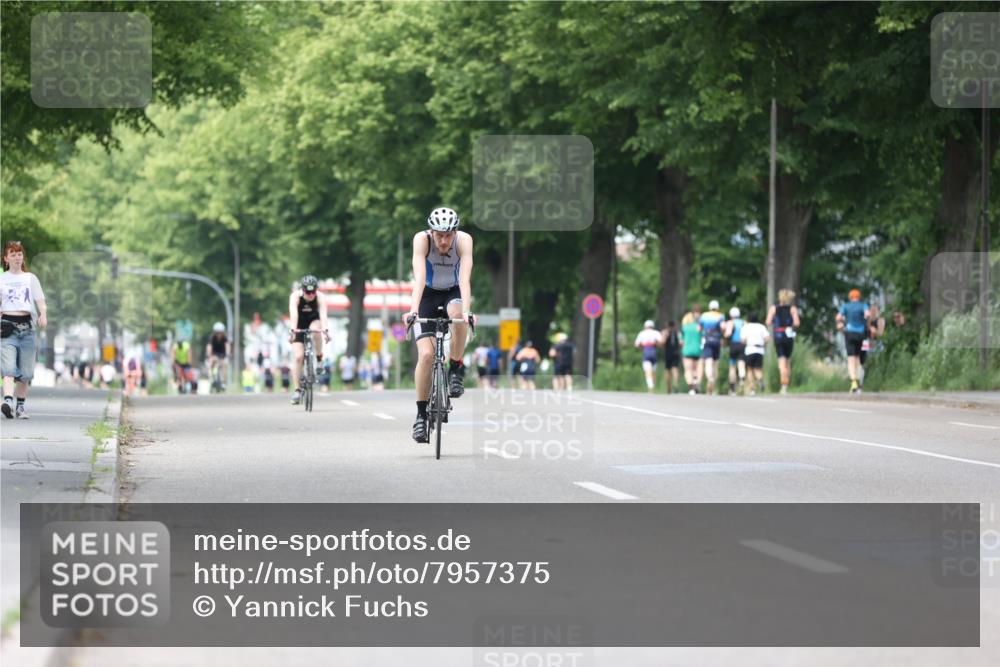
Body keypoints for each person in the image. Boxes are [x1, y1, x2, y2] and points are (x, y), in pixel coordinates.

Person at [404, 207, 474, 443]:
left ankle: (455, 369)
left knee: (458, 313)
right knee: (426, 356)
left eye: (448, 235)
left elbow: (464, 279)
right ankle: (421, 416)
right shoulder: (421, 240)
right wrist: (413, 311)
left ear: (455, 233)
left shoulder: (464, 241)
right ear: (431, 232)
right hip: (426, 294)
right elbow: (420, 279)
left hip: (453, 291)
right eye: (439, 235)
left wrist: (466, 311)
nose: (444, 241)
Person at [1, 240, 47, 419]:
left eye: (19, 254)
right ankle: (8, 402)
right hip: (6, 328)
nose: (17, 257)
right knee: (8, 369)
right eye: (13, 254)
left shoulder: (30, 278)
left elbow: (40, 300)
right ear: (6, 258)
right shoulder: (2, 279)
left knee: (26, 373)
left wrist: (43, 314)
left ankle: (20, 407)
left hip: (27, 328)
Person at [288, 275, 330, 405]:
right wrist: (293, 332)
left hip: (313, 320)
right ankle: (297, 390)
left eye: (313, 292)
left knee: (316, 330)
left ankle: (318, 358)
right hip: (299, 324)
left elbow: (323, 314)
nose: (311, 295)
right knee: (298, 357)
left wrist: (326, 331)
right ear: (303, 290)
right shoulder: (295, 297)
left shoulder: (320, 297)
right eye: (308, 292)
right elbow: (293, 314)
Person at [766, 289, 801, 395]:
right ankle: (786, 385)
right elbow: (797, 323)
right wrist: (790, 326)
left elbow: (768, 321)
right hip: (788, 336)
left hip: (778, 335)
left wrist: (775, 322)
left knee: (781, 361)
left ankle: (783, 385)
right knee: (788, 361)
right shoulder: (792, 309)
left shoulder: (774, 308)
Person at [836, 288, 870, 394]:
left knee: (851, 359)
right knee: (860, 359)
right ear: (859, 297)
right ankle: (860, 383)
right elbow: (868, 315)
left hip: (849, 334)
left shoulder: (845, 306)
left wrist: (843, 322)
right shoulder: (863, 305)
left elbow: (838, 317)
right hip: (862, 335)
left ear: (850, 297)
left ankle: (853, 382)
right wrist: (865, 322)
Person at [699, 300, 726, 395]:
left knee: (708, 362)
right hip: (717, 341)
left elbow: (699, 329)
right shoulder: (720, 316)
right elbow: (723, 327)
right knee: (715, 363)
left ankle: (709, 378)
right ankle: (713, 384)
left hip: (707, 340)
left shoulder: (704, 315)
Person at [740, 312, 770, 396]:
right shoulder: (761, 327)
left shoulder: (746, 327)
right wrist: (763, 344)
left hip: (750, 349)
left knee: (749, 370)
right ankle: (760, 380)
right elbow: (767, 338)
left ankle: (752, 389)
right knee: (758, 369)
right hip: (760, 349)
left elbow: (743, 340)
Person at [680, 304, 703, 394]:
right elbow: (703, 337)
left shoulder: (684, 328)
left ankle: (691, 387)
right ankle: (696, 382)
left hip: (687, 350)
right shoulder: (699, 327)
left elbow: (681, 341)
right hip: (698, 349)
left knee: (688, 370)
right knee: (697, 369)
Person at [724, 307, 747, 396]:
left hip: (733, 345)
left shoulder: (730, 323)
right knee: (741, 364)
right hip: (742, 345)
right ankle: (742, 378)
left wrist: (725, 337)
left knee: (732, 366)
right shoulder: (744, 322)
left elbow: (728, 333)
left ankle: (732, 388)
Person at [634, 320, 663, 392]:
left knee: (647, 371)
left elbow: (636, 344)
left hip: (646, 352)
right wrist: (656, 344)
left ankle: (650, 387)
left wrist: (642, 347)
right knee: (653, 371)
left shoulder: (642, 333)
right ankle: (653, 386)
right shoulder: (656, 332)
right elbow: (661, 342)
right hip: (653, 351)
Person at [205, 322, 230, 391]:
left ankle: (223, 382)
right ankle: (211, 379)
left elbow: (227, 346)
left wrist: (227, 354)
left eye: (220, 332)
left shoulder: (225, 338)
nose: (219, 334)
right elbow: (209, 346)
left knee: (224, 365)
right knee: (210, 363)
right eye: (217, 332)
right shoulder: (212, 338)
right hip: (214, 354)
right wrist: (209, 355)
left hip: (222, 355)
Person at [660, 321, 681, 393]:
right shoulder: (677, 333)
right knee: (675, 369)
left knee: (667, 370)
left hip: (668, 352)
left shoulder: (665, 332)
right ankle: (676, 384)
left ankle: (669, 387)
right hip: (676, 352)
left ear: (667, 325)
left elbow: (662, 342)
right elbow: (681, 343)